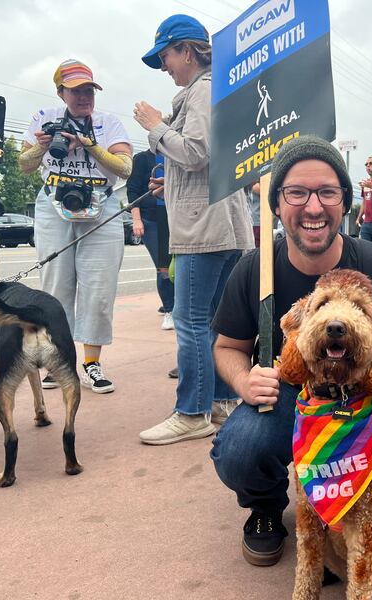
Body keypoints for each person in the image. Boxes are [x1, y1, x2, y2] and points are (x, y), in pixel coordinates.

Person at [210, 136, 372, 568]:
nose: (313, 207)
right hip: (294, 402)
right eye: (297, 192)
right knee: (240, 450)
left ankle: (364, 518)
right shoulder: (255, 268)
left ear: (345, 202)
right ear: (277, 203)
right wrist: (244, 379)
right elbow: (226, 348)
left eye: (327, 192)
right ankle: (266, 508)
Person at [135, 14, 254, 445]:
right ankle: (220, 401)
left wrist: (155, 127)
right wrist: (174, 177)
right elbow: (208, 159)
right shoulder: (216, 89)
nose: (164, 65)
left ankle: (191, 411)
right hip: (223, 224)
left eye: (165, 54)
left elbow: (197, 151)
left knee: (189, 320)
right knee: (218, 323)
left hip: (202, 229)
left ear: (187, 50)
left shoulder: (200, 91)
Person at [19, 59, 133, 394]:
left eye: (88, 90)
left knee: (99, 286)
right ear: (60, 92)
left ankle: (92, 363)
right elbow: (24, 165)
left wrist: (90, 143)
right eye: (76, 90)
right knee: (55, 285)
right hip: (54, 201)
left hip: (101, 202)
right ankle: (60, 360)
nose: (84, 96)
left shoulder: (108, 123)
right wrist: (42, 145)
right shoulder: (44, 118)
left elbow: (124, 167)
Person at [126, 149, 174, 330]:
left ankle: (175, 304)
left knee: (180, 266)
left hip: (177, 218)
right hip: (152, 219)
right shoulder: (142, 159)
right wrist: (137, 220)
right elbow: (133, 190)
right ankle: (170, 310)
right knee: (163, 266)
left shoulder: (177, 154)